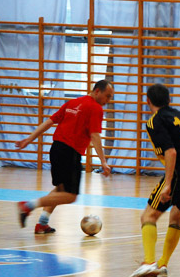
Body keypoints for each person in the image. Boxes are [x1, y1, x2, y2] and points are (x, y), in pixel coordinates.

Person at [125, 83, 180, 277]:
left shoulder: (155, 120)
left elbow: (171, 152)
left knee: (149, 215)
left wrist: (168, 183)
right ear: (169, 99)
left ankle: (149, 262)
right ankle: (162, 265)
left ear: (148, 101)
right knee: (176, 217)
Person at [16, 80, 114, 234]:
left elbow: (49, 122)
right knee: (70, 196)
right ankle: (27, 206)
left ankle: (42, 224)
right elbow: (95, 136)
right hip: (70, 153)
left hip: (56, 149)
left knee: (60, 190)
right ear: (97, 91)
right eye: (107, 96)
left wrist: (29, 139)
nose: (108, 100)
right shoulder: (95, 108)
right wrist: (103, 161)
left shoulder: (72, 103)